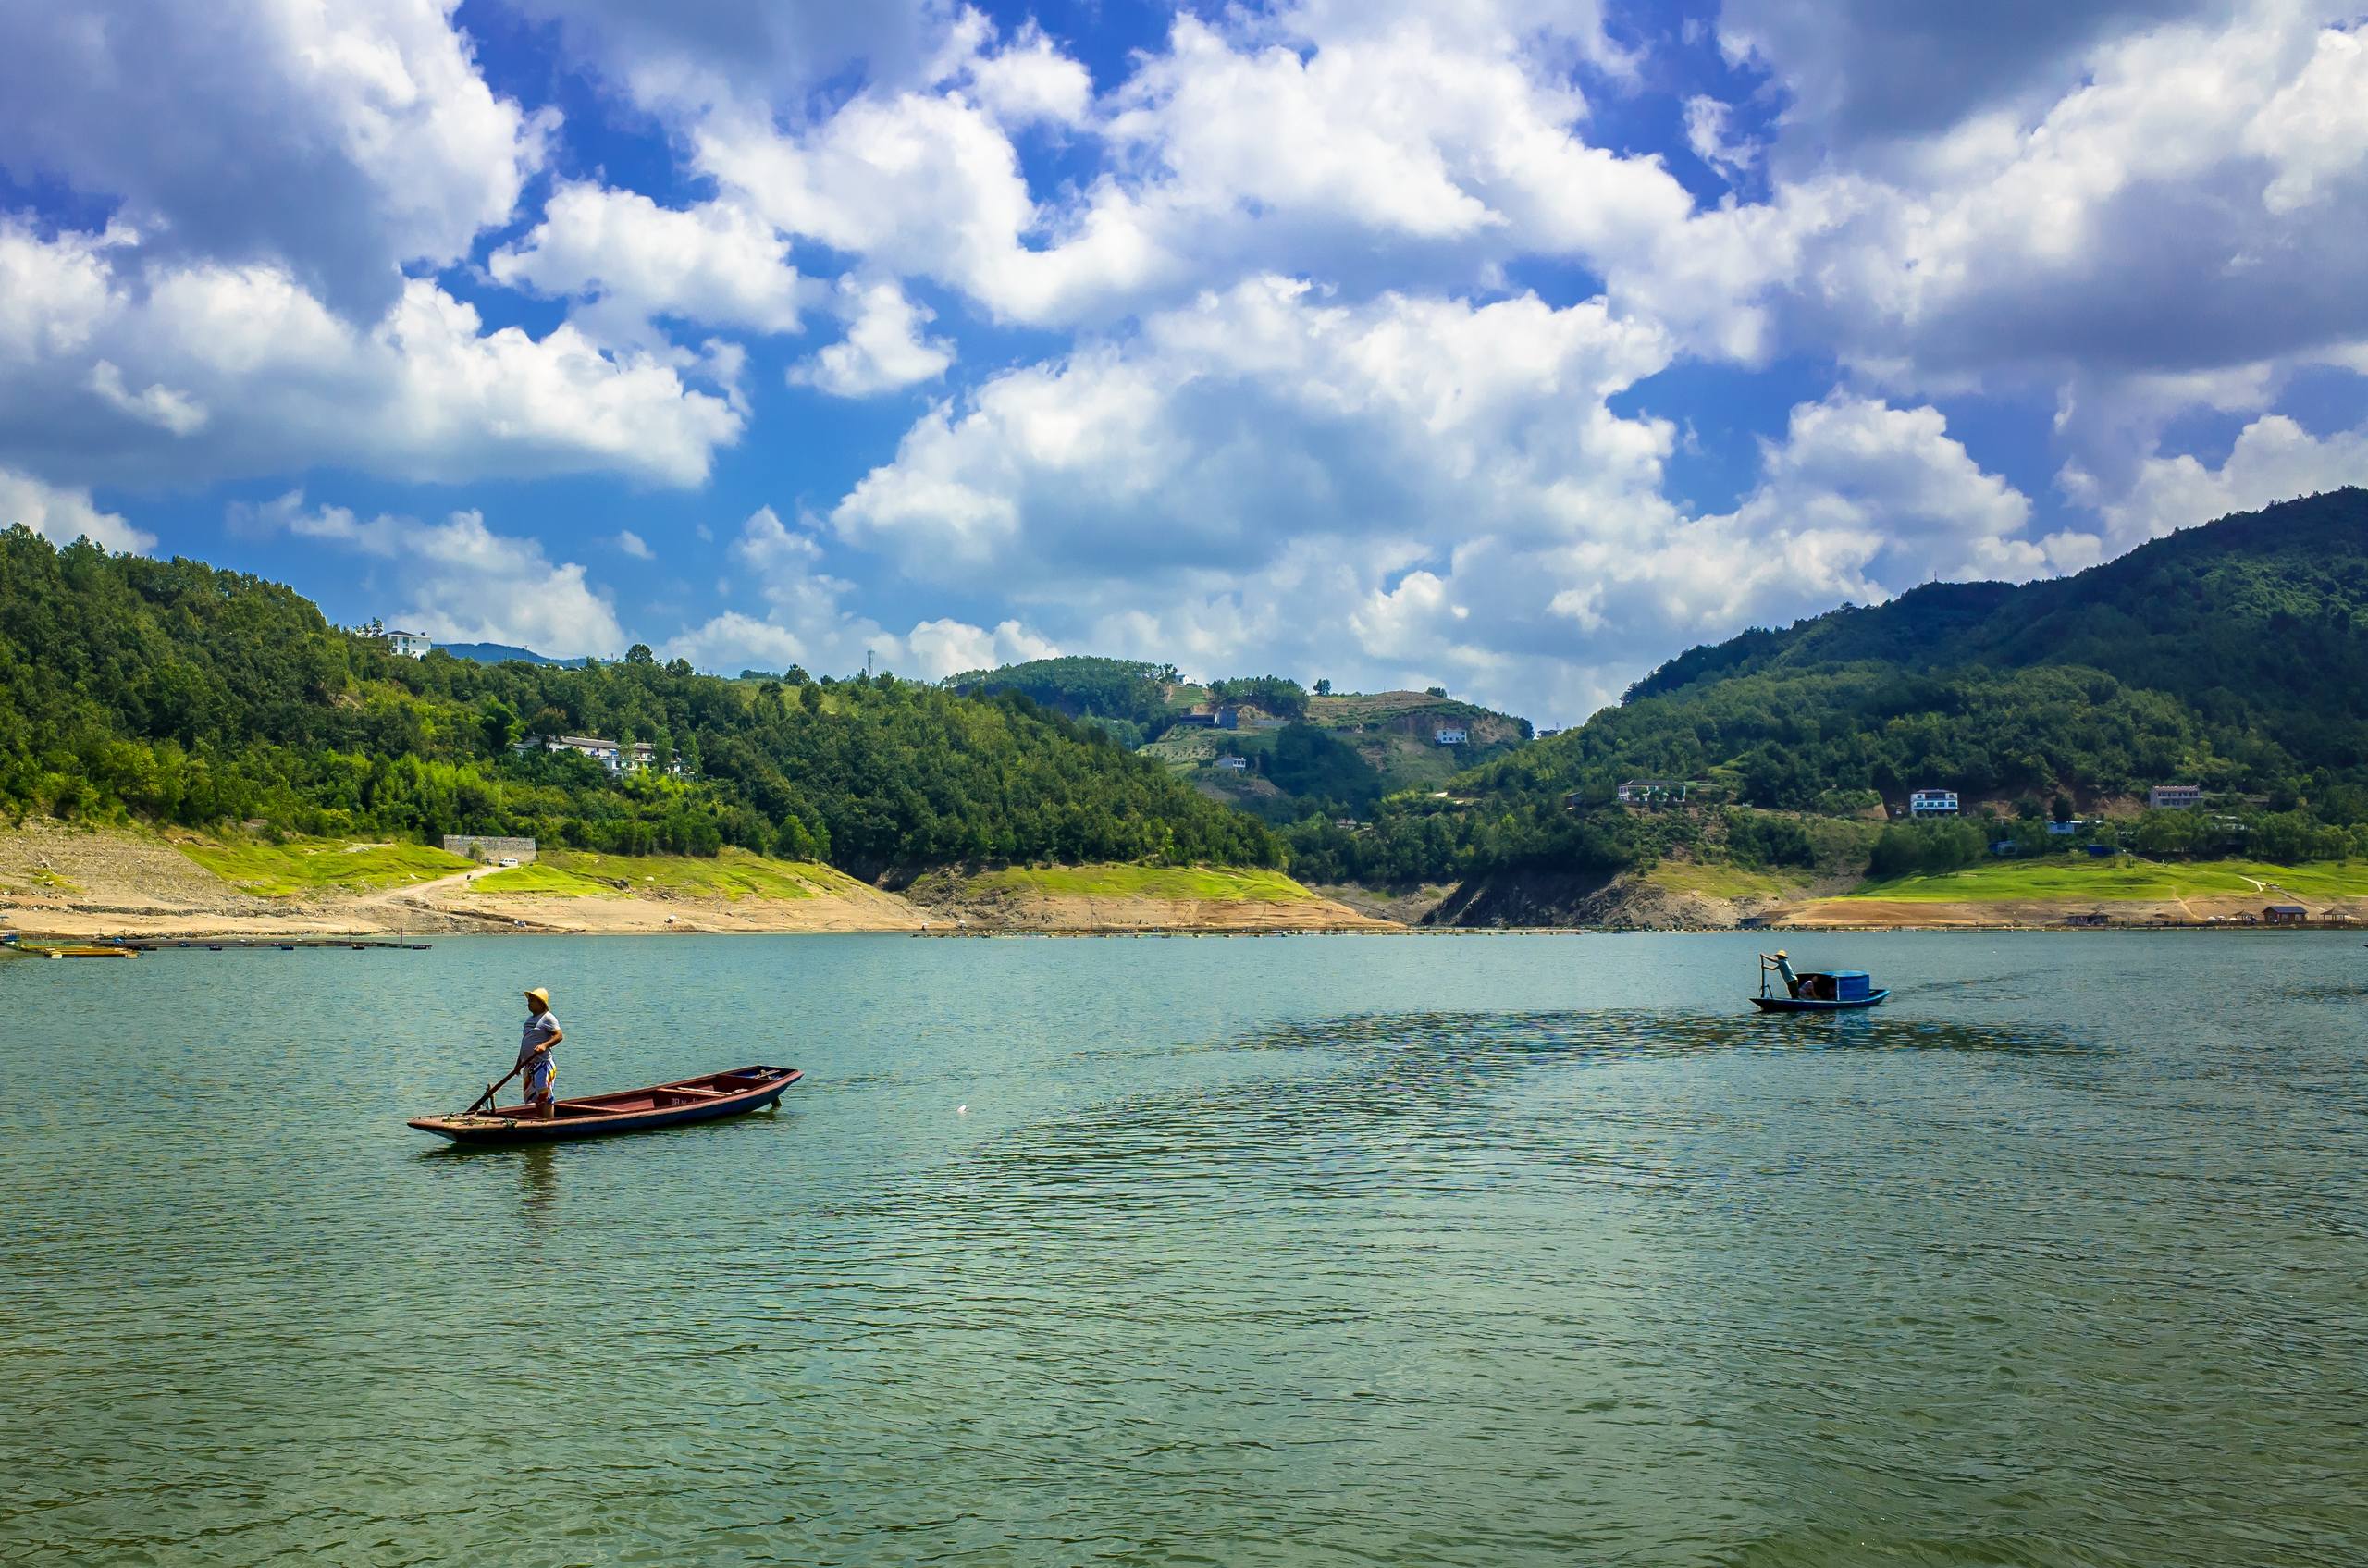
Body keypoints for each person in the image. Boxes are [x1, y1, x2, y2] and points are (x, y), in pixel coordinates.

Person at [518, 987, 563, 1120]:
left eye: (532, 1001)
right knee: (536, 1098)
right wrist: (518, 1063)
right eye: (529, 1000)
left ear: (540, 1002)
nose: (529, 1003)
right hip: (529, 1064)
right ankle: (540, 1121)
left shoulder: (548, 1018)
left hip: (543, 1064)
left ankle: (549, 1123)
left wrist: (544, 1045)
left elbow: (559, 1036)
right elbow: (525, 1042)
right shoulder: (529, 1020)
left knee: (545, 1095)